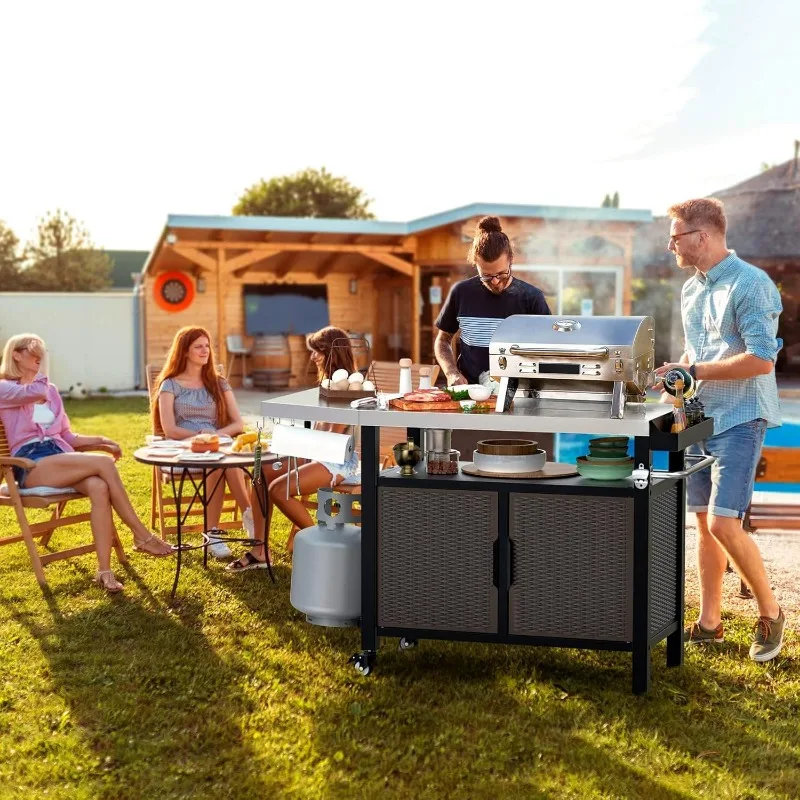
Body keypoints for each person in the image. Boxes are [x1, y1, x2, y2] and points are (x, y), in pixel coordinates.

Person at [654, 197, 786, 662]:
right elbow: (696, 356)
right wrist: (678, 378)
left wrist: (700, 373)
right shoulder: (691, 290)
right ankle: (710, 623)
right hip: (699, 417)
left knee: (723, 520)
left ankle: (770, 613)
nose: (671, 243)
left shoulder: (752, 284)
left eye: (676, 235)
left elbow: (762, 358)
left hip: (741, 417)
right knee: (704, 526)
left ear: (701, 236)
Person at [0, 334, 173, 593]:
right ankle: (141, 535)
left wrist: (101, 440)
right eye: (33, 352)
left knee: (98, 486)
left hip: (57, 456)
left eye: (41, 352)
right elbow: (33, 391)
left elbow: (66, 436)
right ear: (16, 354)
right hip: (29, 464)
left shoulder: (50, 391)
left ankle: (104, 571)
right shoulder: (6, 388)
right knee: (104, 465)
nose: (39, 357)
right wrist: (42, 375)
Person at [227, 326, 359, 572]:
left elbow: (332, 439)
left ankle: (322, 549)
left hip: (338, 461)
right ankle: (259, 550)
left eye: (317, 352)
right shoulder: (328, 381)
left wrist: (300, 446)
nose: (312, 357)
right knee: (261, 471)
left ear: (331, 352)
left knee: (279, 489)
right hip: (320, 452)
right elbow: (319, 431)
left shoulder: (348, 386)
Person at [153, 326, 253, 559]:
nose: (205, 350)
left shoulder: (218, 383)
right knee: (220, 461)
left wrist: (215, 437)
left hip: (217, 446)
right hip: (184, 449)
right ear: (184, 352)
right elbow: (169, 429)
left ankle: (218, 531)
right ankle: (243, 520)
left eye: (207, 346)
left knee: (221, 460)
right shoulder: (170, 385)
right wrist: (200, 438)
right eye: (198, 346)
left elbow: (238, 424)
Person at [434, 216, 550, 386]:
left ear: (511, 260)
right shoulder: (461, 293)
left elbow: (548, 347)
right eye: (486, 276)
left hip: (519, 395)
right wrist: (452, 372)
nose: (495, 281)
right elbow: (443, 340)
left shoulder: (531, 298)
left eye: (502, 273)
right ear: (475, 264)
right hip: (471, 395)